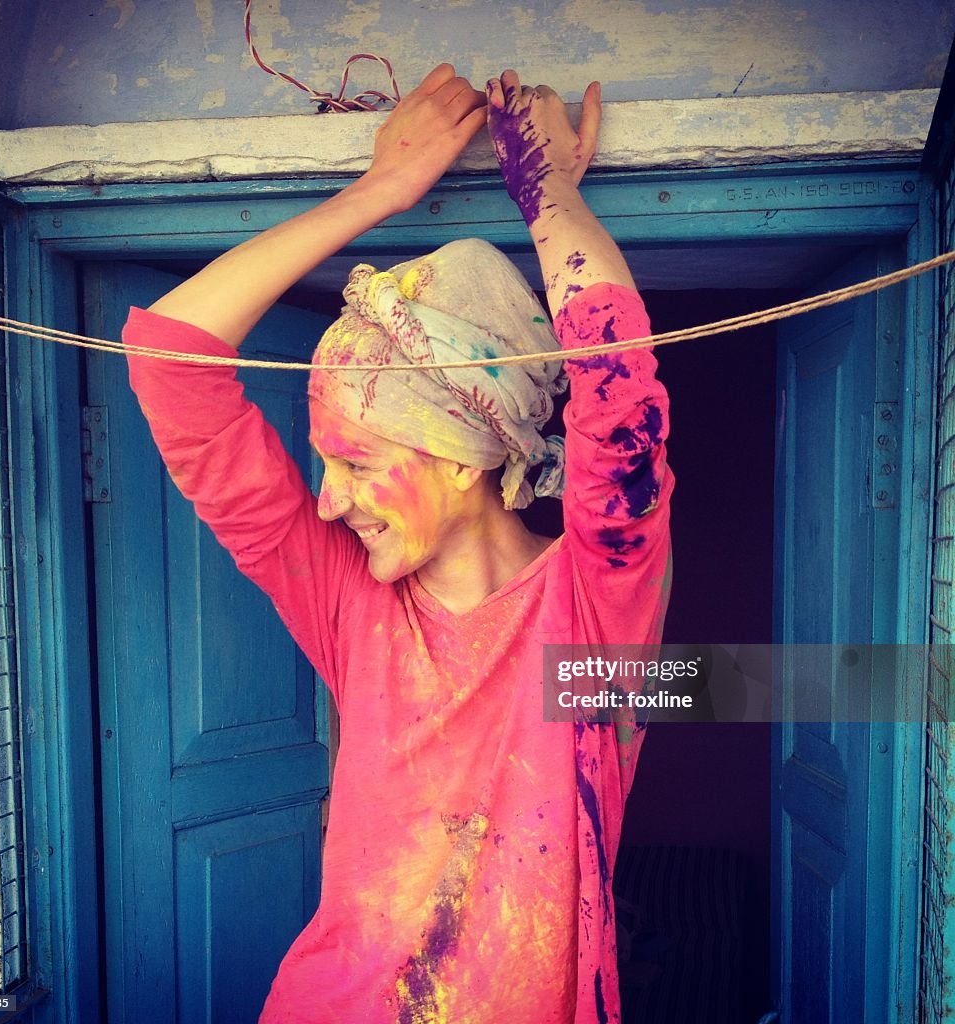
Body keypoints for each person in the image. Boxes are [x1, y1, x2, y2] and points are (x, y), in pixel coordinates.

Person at [123, 64, 673, 1024]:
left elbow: (618, 394)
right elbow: (169, 360)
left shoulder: (589, 618)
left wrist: (547, 190)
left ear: (464, 458)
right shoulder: (350, 604)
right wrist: (379, 190)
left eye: (356, 462)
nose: (326, 504)